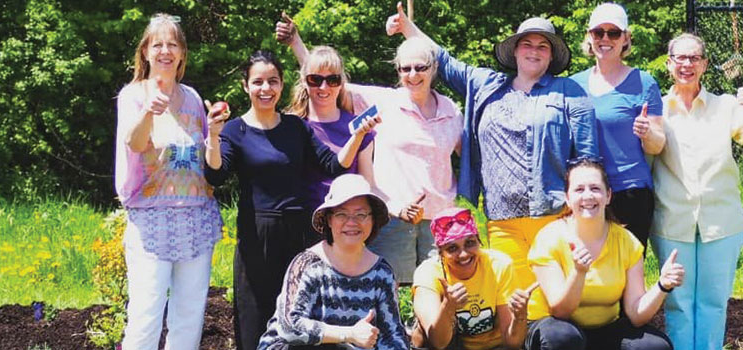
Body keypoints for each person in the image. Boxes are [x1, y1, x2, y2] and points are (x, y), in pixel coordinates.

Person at [386, 3, 598, 289]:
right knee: (513, 298)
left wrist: (586, 212)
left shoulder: (569, 92)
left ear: (551, 56)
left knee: (555, 298)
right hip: (501, 220)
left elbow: (587, 160)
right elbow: (443, 60)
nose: (533, 51)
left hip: (554, 216)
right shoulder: (485, 84)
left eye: (542, 46)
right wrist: (406, 28)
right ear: (514, 50)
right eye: (527, 44)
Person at [204, 50, 377, 350]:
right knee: (255, 316)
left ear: (283, 85)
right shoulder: (235, 130)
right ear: (246, 86)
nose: (265, 88)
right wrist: (213, 136)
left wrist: (358, 135)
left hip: (299, 234)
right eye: (258, 82)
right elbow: (216, 175)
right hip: (257, 236)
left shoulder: (296, 127)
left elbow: (334, 164)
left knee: (300, 316)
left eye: (273, 81)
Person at [277, 14, 464, 285]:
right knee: (392, 291)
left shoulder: (451, 111)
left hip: (440, 220)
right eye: (405, 69)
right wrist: (296, 43)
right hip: (394, 218)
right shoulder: (385, 102)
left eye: (421, 67)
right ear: (397, 71)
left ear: (433, 69)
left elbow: (471, 157)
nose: (413, 75)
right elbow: (324, 80)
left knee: (439, 290)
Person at [650, 33, 743, 350]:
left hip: (721, 223)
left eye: (694, 58)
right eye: (680, 57)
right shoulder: (657, 108)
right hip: (671, 222)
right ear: (669, 64)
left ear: (705, 64)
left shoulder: (726, 106)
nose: (687, 64)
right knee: (678, 304)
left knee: (713, 304)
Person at [114, 14, 224, 350]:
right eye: (157, 44)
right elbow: (133, 143)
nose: (165, 50)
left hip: (196, 217)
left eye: (172, 44)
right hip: (152, 221)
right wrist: (148, 111)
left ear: (181, 54)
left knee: (189, 318)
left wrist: (216, 132)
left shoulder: (192, 97)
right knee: (146, 317)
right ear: (145, 51)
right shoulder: (133, 95)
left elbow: (209, 161)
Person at [524, 157, 684, 350]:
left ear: (608, 196)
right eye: (579, 189)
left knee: (655, 346)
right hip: (554, 328)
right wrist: (578, 273)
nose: (588, 196)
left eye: (595, 188)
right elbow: (560, 311)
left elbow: (636, 315)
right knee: (563, 338)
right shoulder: (549, 238)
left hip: (605, 329)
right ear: (567, 197)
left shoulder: (626, 241)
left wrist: (662, 286)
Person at [257, 174, 409, 350]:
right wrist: (349, 334)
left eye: (361, 214)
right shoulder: (308, 264)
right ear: (329, 219)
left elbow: (393, 335)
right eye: (341, 214)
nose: (351, 222)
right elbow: (290, 327)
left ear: (372, 219)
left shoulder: (382, 272)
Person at [569, 3, 665, 251]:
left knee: (628, 273)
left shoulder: (643, 82)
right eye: (598, 32)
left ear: (626, 39)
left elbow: (657, 145)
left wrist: (647, 133)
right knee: (589, 272)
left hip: (630, 192)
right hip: (586, 194)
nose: (605, 39)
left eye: (613, 33)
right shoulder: (571, 85)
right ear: (589, 37)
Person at [285, 44, 378, 241]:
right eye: (315, 80)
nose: (324, 87)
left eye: (332, 80)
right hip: (298, 229)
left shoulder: (358, 128)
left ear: (342, 83)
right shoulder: (290, 126)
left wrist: (398, 208)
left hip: (346, 231)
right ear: (304, 81)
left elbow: (368, 185)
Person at [411, 207, 535, 350]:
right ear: (441, 253)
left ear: (479, 242)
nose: (463, 254)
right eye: (452, 248)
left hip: (495, 346)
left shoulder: (498, 265)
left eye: (470, 243)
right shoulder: (428, 272)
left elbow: (512, 343)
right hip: (450, 345)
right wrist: (448, 306)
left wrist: (520, 316)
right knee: (422, 331)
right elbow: (437, 342)